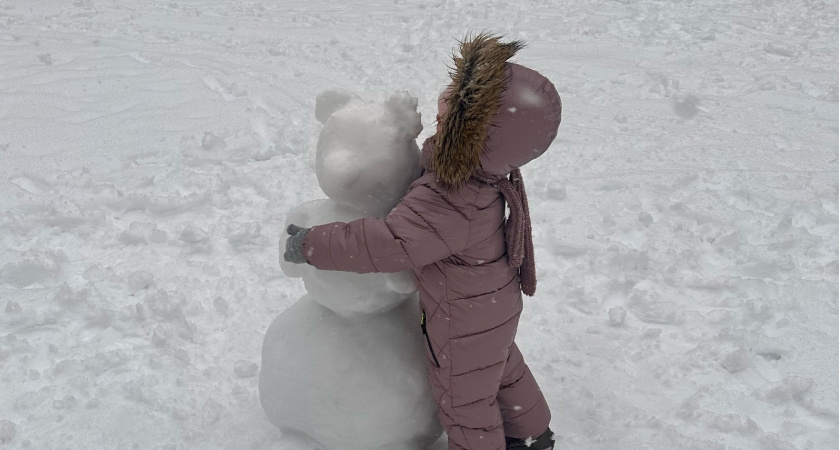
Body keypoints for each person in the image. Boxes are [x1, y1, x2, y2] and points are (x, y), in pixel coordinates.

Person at [283, 32, 562, 450]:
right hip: (491, 306)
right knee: (501, 367)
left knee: (465, 400)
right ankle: (533, 432)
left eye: (460, 100)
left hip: (461, 318)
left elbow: (390, 242)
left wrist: (312, 243)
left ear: (472, 134)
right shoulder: (484, 176)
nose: (446, 93)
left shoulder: (450, 197)